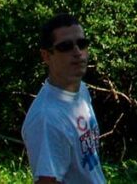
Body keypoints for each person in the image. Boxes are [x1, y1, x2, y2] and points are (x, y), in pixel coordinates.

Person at [21, 13, 106, 184]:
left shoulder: (80, 89)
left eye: (82, 44)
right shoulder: (46, 118)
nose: (77, 52)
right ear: (46, 56)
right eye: (65, 46)